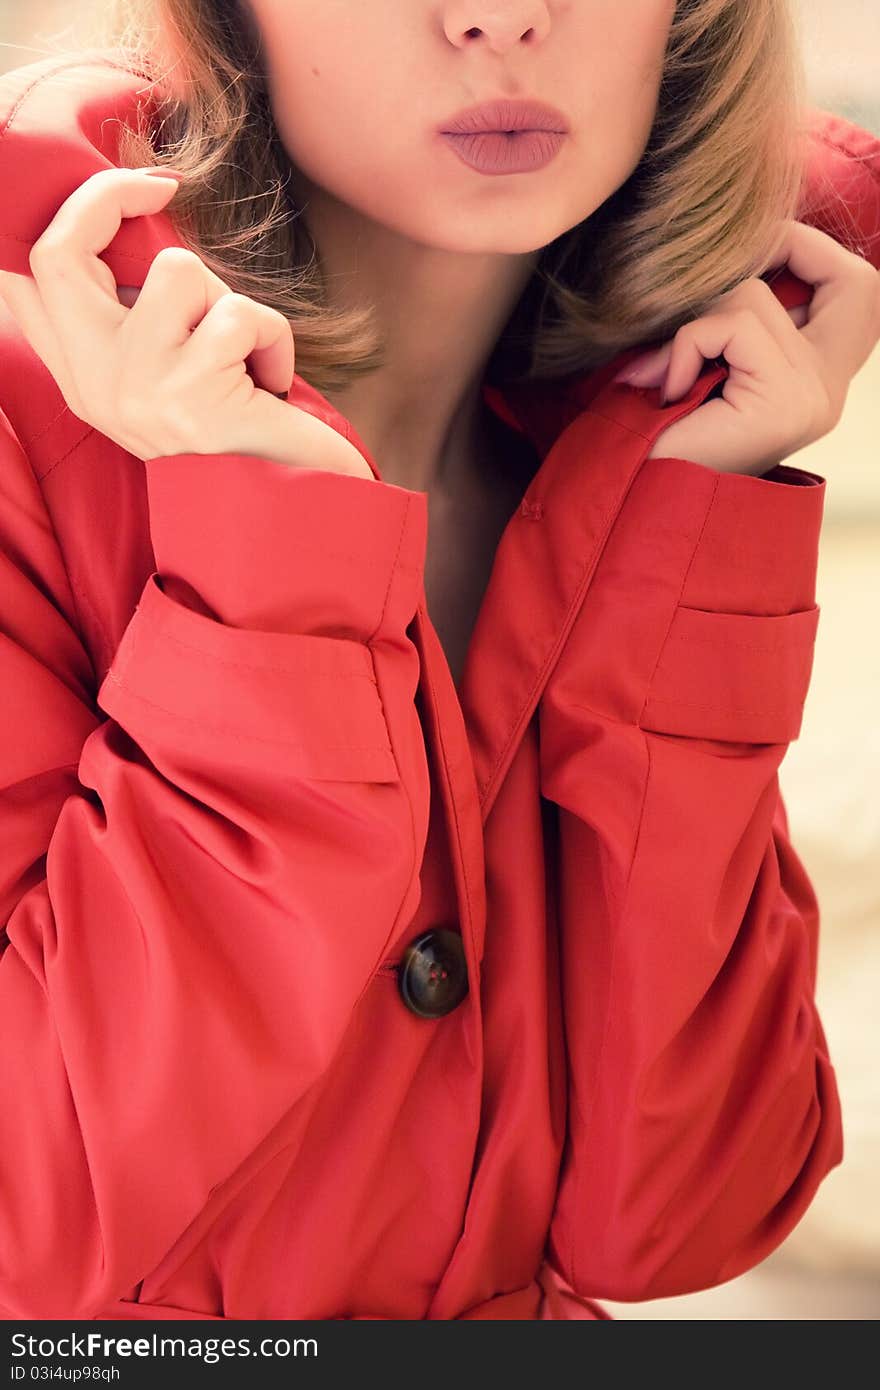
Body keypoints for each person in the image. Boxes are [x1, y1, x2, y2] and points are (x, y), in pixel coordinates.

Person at [0, 0, 878, 1322]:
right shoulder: (24, 439)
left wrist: (693, 534)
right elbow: (32, 1226)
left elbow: (691, 1206)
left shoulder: (625, 449)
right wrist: (265, 594)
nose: (502, 16)